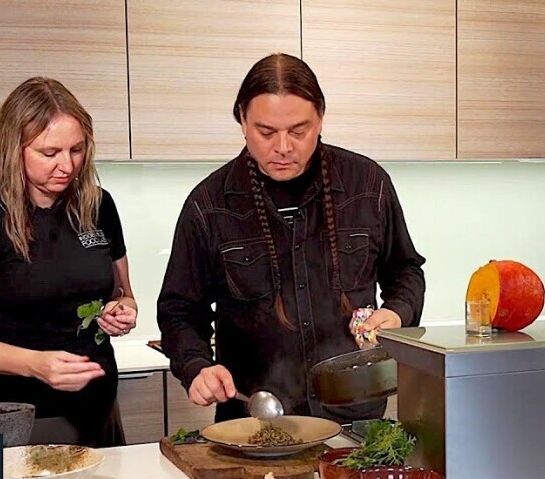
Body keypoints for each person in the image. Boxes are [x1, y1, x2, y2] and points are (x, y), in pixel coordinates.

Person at [157, 53, 426, 424]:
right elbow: (179, 311)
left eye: (299, 131)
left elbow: (406, 270)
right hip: (255, 421)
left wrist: (397, 312)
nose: (283, 147)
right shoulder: (209, 205)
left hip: (357, 417)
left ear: (321, 119)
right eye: (266, 132)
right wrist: (196, 366)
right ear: (242, 121)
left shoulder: (367, 185)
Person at [0, 77, 137, 447]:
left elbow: (123, 293)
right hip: (12, 419)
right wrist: (34, 364)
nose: (67, 165)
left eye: (76, 150)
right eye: (49, 152)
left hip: (96, 410)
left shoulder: (98, 205)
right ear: (14, 149)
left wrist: (122, 310)